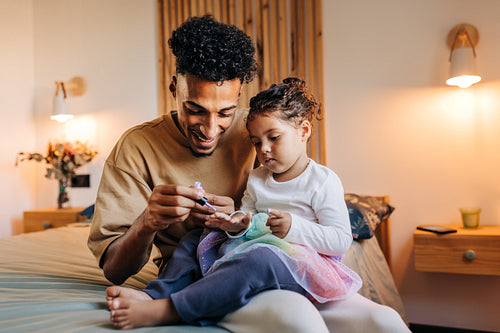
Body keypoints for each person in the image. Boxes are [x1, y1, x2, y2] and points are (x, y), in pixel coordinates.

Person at [89, 14, 411, 333]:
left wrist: (260, 222)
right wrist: (151, 221)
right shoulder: (135, 148)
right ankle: (160, 301)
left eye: (225, 112)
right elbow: (114, 269)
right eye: (195, 109)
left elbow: (332, 233)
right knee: (299, 320)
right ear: (175, 89)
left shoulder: (258, 128)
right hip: (219, 263)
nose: (210, 128)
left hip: (282, 261)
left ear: (239, 98)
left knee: (386, 321)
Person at [105, 78, 362, 329]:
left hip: (295, 263)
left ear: (304, 131)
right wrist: (234, 224)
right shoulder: (259, 176)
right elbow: (247, 215)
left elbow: (340, 241)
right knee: (196, 237)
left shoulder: (322, 181)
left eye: (274, 138)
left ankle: (171, 310)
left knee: (261, 260)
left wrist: (294, 227)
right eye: (257, 142)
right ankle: (157, 293)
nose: (264, 150)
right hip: (254, 248)